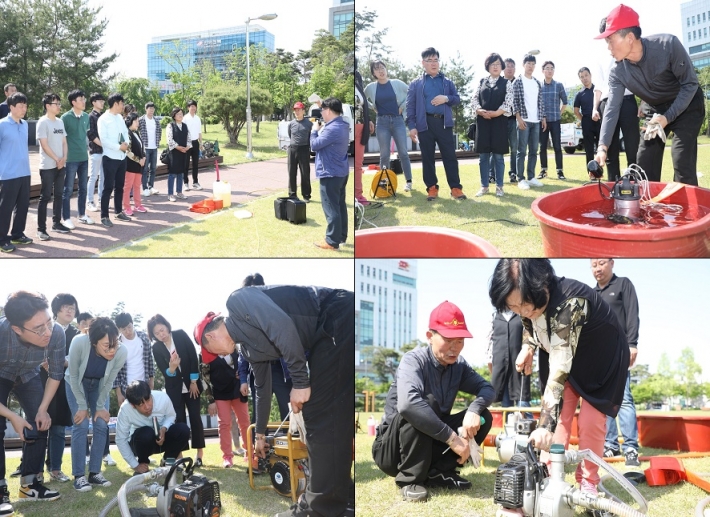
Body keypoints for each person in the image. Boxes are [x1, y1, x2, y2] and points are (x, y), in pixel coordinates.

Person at [195, 284, 354, 517]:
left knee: (320, 415)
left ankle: (319, 509)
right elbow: (261, 388)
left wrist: (300, 382)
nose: (219, 357)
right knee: (331, 415)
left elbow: (282, 326)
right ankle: (344, 500)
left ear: (210, 336)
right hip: (326, 332)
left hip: (335, 312)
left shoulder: (238, 301)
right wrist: (259, 436)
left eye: (213, 352)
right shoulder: (249, 350)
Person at [488, 259, 629, 499]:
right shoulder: (527, 304)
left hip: (599, 359)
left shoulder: (569, 303)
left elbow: (560, 366)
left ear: (541, 285)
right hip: (559, 353)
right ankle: (548, 472)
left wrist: (543, 426)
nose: (522, 312)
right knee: (560, 417)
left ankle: (588, 482)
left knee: (590, 420)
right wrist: (528, 346)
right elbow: (530, 325)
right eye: (514, 308)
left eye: (524, 304)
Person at [372, 301, 493, 503]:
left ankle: (439, 472)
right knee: (422, 404)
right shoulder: (413, 360)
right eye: (448, 340)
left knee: (483, 416)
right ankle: (410, 480)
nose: (455, 348)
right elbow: (408, 405)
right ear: (430, 336)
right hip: (392, 450)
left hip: (430, 442)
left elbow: (488, 389)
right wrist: (454, 439)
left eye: (460, 340)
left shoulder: (459, 366)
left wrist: (474, 409)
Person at [594, 4, 704, 185]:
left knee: (682, 160)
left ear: (629, 37)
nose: (608, 47)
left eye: (610, 40)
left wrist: (667, 117)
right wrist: (602, 148)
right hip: (655, 109)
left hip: (687, 103)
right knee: (644, 165)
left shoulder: (667, 45)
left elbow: (690, 84)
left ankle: (688, 211)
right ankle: (646, 211)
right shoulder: (618, 71)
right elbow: (612, 109)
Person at [0, 291, 63, 514]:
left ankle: (29, 485)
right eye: (38, 329)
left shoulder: (56, 333)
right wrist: (12, 416)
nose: (47, 333)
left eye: (49, 322)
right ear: (17, 328)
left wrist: (43, 409)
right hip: (2, 374)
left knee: (40, 422)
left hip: (29, 375)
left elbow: (55, 374)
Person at [65, 317, 127, 492]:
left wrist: (100, 406)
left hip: (99, 386)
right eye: (106, 345)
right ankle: (79, 476)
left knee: (101, 424)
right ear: (93, 342)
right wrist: (82, 406)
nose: (112, 350)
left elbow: (109, 381)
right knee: (81, 423)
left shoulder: (121, 352)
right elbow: (74, 376)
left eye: (115, 343)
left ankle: (94, 473)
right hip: (76, 384)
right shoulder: (79, 343)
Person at [590, 259, 641, 467]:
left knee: (625, 399)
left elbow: (632, 315)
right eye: (593, 265)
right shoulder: (592, 294)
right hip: (599, 356)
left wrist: (632, 343)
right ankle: (610, 444)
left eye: (601, 263)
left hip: (620, 351)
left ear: (612, 263)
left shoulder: (623, 284)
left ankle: (630, 448)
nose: (597, 269)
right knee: (604, 400)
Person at [407, 47, 466, 201]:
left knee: (450, 156)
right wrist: (412, 126)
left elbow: (457, 98)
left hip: (444, 123)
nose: (433, 63)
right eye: (429, 60)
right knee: (427, 157)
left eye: (436, 60)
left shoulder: (447, 82)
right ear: (423, 63)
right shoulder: (416, 83)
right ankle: (432, 188)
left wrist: (446, 98)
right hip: (424, 123)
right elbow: (410, 106)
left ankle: (455, 188)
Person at [148, 314, 205, 467]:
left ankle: (199, 453)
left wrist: (193, 381)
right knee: (178, 420)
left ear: (167, 326)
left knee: (195, 417)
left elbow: (194, 358)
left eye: (162, 329)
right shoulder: (156, 348)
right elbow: (164, 371)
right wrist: (172, 368)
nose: (161, 334)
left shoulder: (180, 335)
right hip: (174, 389)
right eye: (157, 333)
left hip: (192, 385)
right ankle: (180, 456)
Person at [115, 380, 190, 474]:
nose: (147, 407)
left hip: (163, 440)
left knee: (183, 430)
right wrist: (135, 465)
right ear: (133, 405)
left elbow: (171, 416)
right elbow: (120, 439)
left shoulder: (162, 397)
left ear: (150, 394)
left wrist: (164, 428)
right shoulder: (125, 409)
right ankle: (143, 463)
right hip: (141, 443)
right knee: (146, 433)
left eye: (148, 400)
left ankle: (168, 461)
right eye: (141, 404)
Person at [199, 337, 251, 469]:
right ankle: (227, 456)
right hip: (220, 392)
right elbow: (204, 379)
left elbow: (244, 363)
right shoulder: (204, 353)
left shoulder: (233, 345)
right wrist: (210, 400)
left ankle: (250, 452)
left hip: (237, 388)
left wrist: (244, 377)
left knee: (245, 422)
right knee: (224, 423)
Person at [365, 60, 413, 192]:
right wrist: (372, 107)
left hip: (398, 121)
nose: (381, 71)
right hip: (382, 123)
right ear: (374, 73)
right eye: (377, 69)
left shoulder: (396, 83)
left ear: (386, 69)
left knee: (403, 152)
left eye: (382, 67)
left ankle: (409, 182)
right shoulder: (371, 87)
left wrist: (402, 107)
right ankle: (384, 183)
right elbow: (361, 99)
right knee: (384, 154)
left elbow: (411, 93)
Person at [310, 97, 350, 251]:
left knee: (331, 207)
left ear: (328, 111)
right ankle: (341, 237)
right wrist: (321, 103)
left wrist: (314, 131)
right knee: (339, 206)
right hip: (340, 171)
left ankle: (332, 241)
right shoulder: (342, 124)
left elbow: (314, 145)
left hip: (330, 172)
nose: (321, 113)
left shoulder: (332, 129)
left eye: (322, 110)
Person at [594, 51, 640, 182]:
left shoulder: (627, 52)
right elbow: (598, 86)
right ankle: (613, 183)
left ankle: (634, 181)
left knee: (632, 145)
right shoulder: (600, 58)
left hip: (627, 100)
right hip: (607, 102)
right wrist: (594, 108)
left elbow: (639, 78)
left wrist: (643, 101)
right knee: (610, 148)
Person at [473, 53, 514, 198]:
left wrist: (496, 113)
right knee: (483, 156)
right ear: (488, 67)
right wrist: (479, 110)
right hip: (483, 122)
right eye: (492, 64)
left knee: (498, 157)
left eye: (498, 63)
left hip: (499, 123)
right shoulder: (482, 81)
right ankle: (484, 186)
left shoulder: (506, 83)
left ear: (501, 66)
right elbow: (474, 99)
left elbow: (509, 102)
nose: (495, 66)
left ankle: (499, 187)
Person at [0, 92, 33, 253]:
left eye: (25, 105)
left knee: (23, 206)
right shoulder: (2, 125)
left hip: (25, 172)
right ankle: (1, 239)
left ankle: (17, 234)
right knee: (5, 208)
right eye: (20, 105)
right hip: (8, 174)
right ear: (11, 107)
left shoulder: (25, 124)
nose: (24, 109)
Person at [36, 92, 69, 241]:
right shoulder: (42, 122)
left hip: (61, 165)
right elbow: (44, 144)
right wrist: (57, 159)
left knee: (59, 195)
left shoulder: (60, 122)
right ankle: (41, 229)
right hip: (48, 166)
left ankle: (56, 223)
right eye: (56, 103)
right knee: (45, 197)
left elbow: (64, 142)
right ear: (48, 106)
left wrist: (64, 159)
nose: (59, 106)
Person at [97, 92, 131, 228]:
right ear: (115, 103)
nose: (123, 106)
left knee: (119, 187)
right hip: (110, 157)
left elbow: (125, 134)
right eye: (121, 103)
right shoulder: (103, 119)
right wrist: (118, 147)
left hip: (122, 157)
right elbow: (103, 140)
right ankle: (104, 216)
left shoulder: (120, 118)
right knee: (108, 187)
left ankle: (118, 211)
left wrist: (126, 144)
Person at [513, 54, 546, 190]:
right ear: (523, 65)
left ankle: (531, 177)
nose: (531, 66)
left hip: (536, 121)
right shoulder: (518, 81)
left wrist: (543, 118)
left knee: (534, 150)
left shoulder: (537, 82)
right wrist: (518, 118)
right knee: (521, 151)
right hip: (524, 120)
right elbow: (514, 102)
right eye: (528, 64)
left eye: (533, 64)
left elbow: (541, 102)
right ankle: (520, 178)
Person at [60, 89, 93, 228]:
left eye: (84, 99)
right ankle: (66, 217)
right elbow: (62, 140)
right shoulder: (65, 118)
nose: (84, 101)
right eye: (81, 99)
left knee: (83, 189)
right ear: (73, 102)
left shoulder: (86, 116)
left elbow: (85, 137)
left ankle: (82, 215)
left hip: (84, 158)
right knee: (67, 189)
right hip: (70, 159)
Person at [486, 310, 531, 409]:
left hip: (520, 364)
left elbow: (529, 337)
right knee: (506, 404)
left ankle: (526, 422)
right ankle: (507, 423)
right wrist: (490, 363)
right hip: (500, 364)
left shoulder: (522, 314)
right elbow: (490, 340)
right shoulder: (494, 316)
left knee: (523, 400)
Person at [112, 312, 155, 406]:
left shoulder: (143, 338)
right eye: (124, 329)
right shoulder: (117, 344)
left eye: (129, 327)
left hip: (144, 383)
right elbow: (115, 371)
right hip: (126, 387)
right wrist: (119, 394)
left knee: (147, 411)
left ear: (132, 324)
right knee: (130, 416)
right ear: (119, 329)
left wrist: (152, 380)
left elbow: (150, 361)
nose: (128, 331)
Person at [537, 61, 568, 181]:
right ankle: (543, 170)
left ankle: (559, 171)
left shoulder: (558, 85)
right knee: (542, 147)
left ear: (554, 71)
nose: (549, 70)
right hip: (542, 121)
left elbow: (565, 102)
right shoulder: (539, 85)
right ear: (543, 70)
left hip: (555, 121)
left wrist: (559, 113)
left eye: (551, 68)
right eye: (547, 68)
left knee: (557, 146)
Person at [354, 63, 373, 206]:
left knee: (358, 164)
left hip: (361, 126)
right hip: (346, 127)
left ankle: (358, 195)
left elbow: (363, 104)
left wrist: (369, 120)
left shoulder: (357, 78)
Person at [286, 101, 313, 201]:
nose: (297, 112)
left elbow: (311, 137)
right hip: (293, 149)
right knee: (292, 172)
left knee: (305, 173)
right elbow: (290, 135)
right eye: (295, 110)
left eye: (299, 110)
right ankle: (292, 194)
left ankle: (306, 195)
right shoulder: (291, 124)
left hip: (304, 149)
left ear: (303, 111)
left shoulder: (309, 124)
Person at [574, 68, 601, 166]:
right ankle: (591, 172)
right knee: (589, 149)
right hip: (586, 122)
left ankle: (601, 169)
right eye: (582, 77)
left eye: (586, 75)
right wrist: (584, 120)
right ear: (580, 79)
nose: (584, 78)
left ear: (590, 75)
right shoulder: (579, 94)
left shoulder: (598, 90)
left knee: (601, 146)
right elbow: (576, 111)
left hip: (600, 121)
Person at [123, 112, 147, 216]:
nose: (138, 123)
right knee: (128, 187)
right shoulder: (127, 133)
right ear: (130, 122)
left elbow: (141, 147)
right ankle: (126, 207)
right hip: (131, 165)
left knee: (137, 186)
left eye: (138, 121)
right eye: (136, 121)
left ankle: (138, 205)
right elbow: (128, 151)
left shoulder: (136, 133)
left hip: (139, 165)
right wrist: (139, 160)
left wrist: (144, 157)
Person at [166, 107, 191, 202]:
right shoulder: (170, 125)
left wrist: (187, 147)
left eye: (181, 114)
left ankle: (179, 192)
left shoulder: (185, 125)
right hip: (174, 152)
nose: (180, 115)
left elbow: (189, 137)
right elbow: (169, 140)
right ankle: (170, 194)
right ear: (174, 116)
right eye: (178, 114)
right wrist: (178, 147)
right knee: (172, 173)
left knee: (181, 172)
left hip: (184, 152)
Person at [86, 93, 105, 212]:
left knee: (103, 177)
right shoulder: (90, 117)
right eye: (100, 101)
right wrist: (103, 144)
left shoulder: (103, 116)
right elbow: (91, 134)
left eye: (103, 101)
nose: (102, 103)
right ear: (93, 102)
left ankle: (101, 199)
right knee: (93, 177)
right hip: (95, 151)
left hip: (105, 152)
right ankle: (90, 201)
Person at [139, 102, 161, 197]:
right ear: (146, 109)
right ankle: (144, 188)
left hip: (154, 147)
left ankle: (151, 186)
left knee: (153, 168)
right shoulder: (141, 120)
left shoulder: (156, 120)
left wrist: (158, 141)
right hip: (145, 148)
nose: (151, 110)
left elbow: (159, 131)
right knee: (144, 169)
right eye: (149, 108)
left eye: (153, 108)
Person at [503, 59, 519, 183]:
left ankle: (513, 173)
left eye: (512, 66)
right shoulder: (500, 82)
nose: (509, 68)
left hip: (515, 119)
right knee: (497, 149)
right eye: (507, 66)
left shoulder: (519, 82)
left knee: (514, 148)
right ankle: (493, 174)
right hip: (501, 119)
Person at [183, 99, 202, 191]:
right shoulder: (185, 118)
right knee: (185, 163)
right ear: (188, 107)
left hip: (195, 142)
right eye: (191, 106)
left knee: (195, 164)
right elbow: (183, 132)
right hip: (187, 143)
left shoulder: (198, 118)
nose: (193, 108)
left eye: (194, 106)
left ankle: (195, 182)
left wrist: (201, 143)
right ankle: (185, 183)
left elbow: (199, 132)